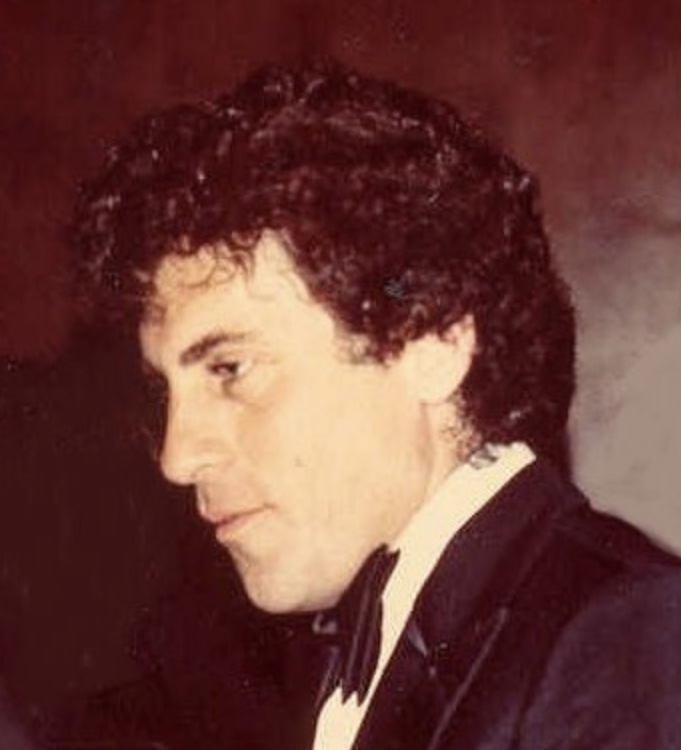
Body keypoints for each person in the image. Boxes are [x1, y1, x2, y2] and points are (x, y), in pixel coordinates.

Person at [72, 59, 681, 750]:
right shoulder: (359, 650)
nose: (178, 458)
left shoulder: (625, 636)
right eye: (166, 393)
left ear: (433, 344)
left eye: (230, 370)